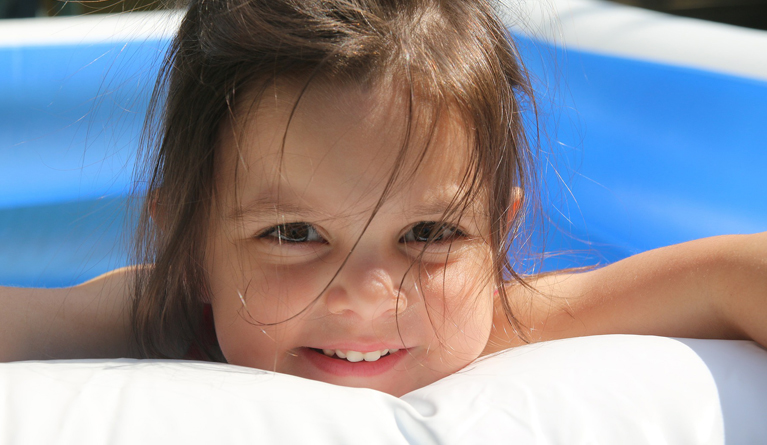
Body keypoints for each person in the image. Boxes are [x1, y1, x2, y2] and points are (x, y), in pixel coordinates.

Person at [1, 0, 765, 397]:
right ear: (191, 246)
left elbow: (729, 274)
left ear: (499, 234)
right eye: (294, 231)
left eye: (429, 231)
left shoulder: (502, 320)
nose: (369, 296)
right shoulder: (162, 316)